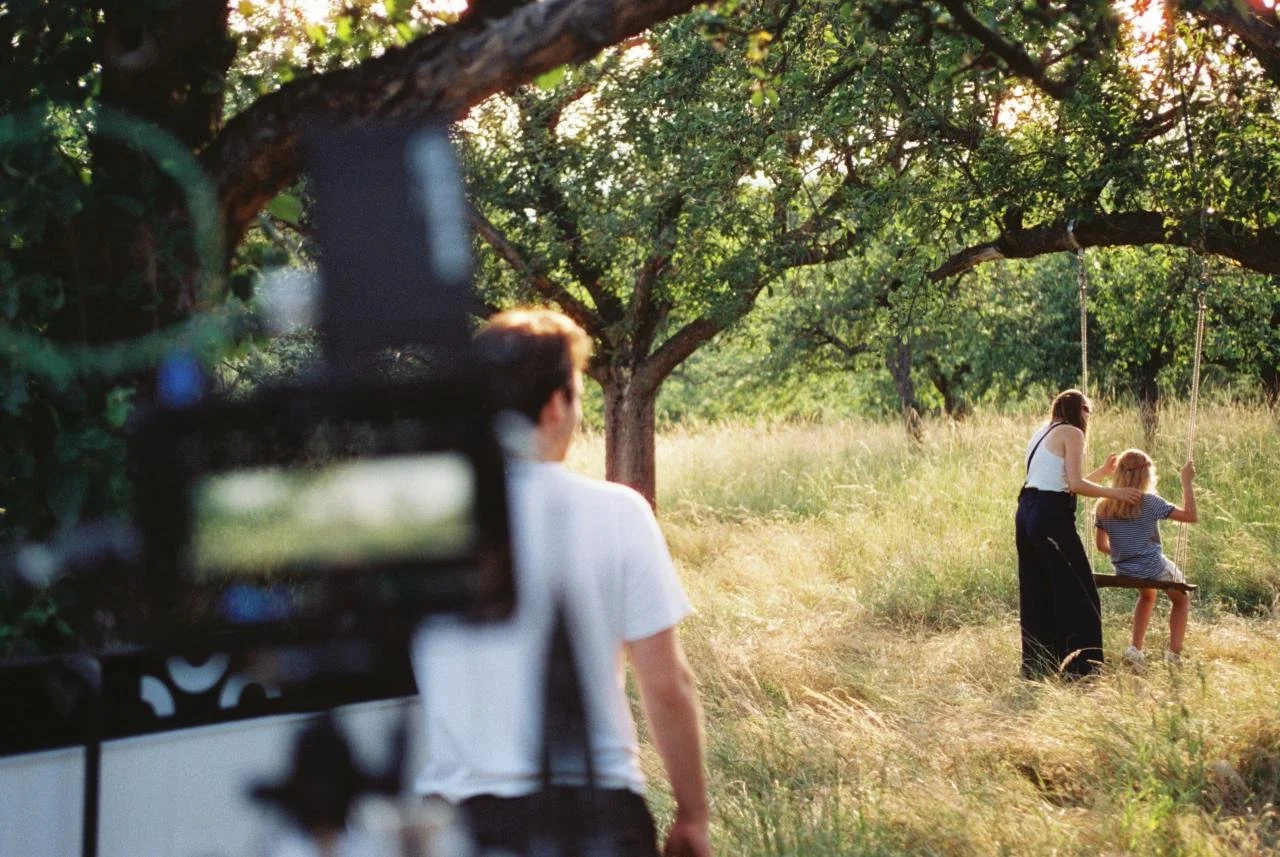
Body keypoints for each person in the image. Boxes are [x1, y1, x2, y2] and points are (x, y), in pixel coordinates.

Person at [410, 308, 712, 857]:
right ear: (555, 406)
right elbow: (667, 685)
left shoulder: (427, 527)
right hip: (598, 814)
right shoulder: (618, 512)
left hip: (460, 825)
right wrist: (693, 815)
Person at [1015, 389, 1142, 679]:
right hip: (1050, 514)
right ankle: (1083, 669)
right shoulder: (1073, 432)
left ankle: (1038, 666)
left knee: (1038, 590)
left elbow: (1063, 482)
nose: (1088, 418)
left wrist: (1101, 472)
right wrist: (1116, 492)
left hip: (1026, 512)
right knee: (1079, 591)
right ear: (1078, 409)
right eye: (1088, 411)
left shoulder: (1042, 431)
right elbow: (1073, 483)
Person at [1094, 450, 1197, 668]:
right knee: (1181, 598)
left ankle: (1135, 650)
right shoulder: (1150, 502)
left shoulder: (1104, 505)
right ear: (1146, 474)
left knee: (1147, 595)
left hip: (1124, 570)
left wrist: (1126, 551)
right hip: (1152, 567)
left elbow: (1101, 546)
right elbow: (1191, 516)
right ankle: (1174, 655)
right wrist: (1186, 482)